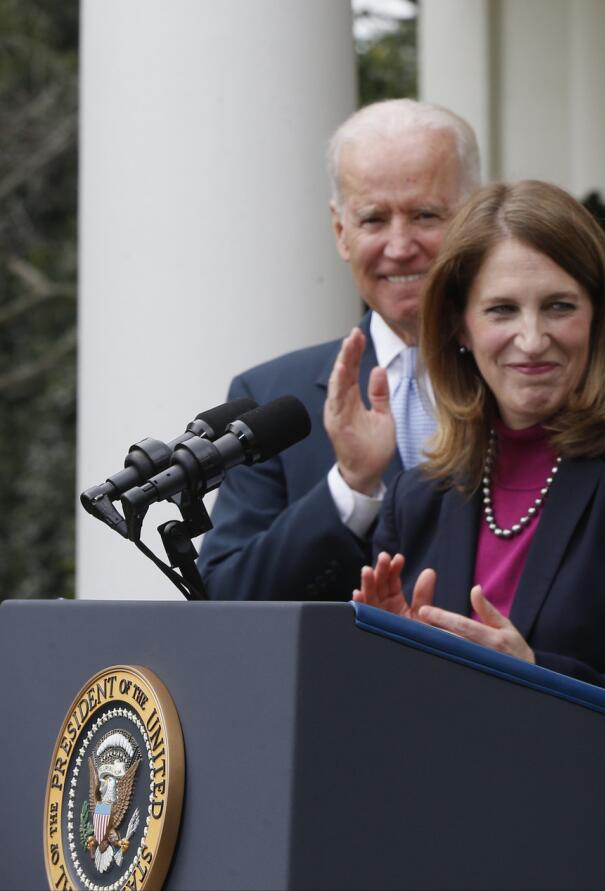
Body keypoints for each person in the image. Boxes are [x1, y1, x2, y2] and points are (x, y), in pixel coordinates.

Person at [352, 180, 605, 726]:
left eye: (558, 306)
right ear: (459, 326)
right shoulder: (420, 492)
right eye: (501, 310)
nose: (532, 338)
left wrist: (537, 676)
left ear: (597, 316)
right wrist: (387, 656)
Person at [198, 99, 481, 602]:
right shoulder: (271, 399)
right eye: (373, 219)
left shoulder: (529, 376)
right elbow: (229, 597)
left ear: (474, 217)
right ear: (340, 231)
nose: (399, 246)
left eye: (425, 215)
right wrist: (350, 487)